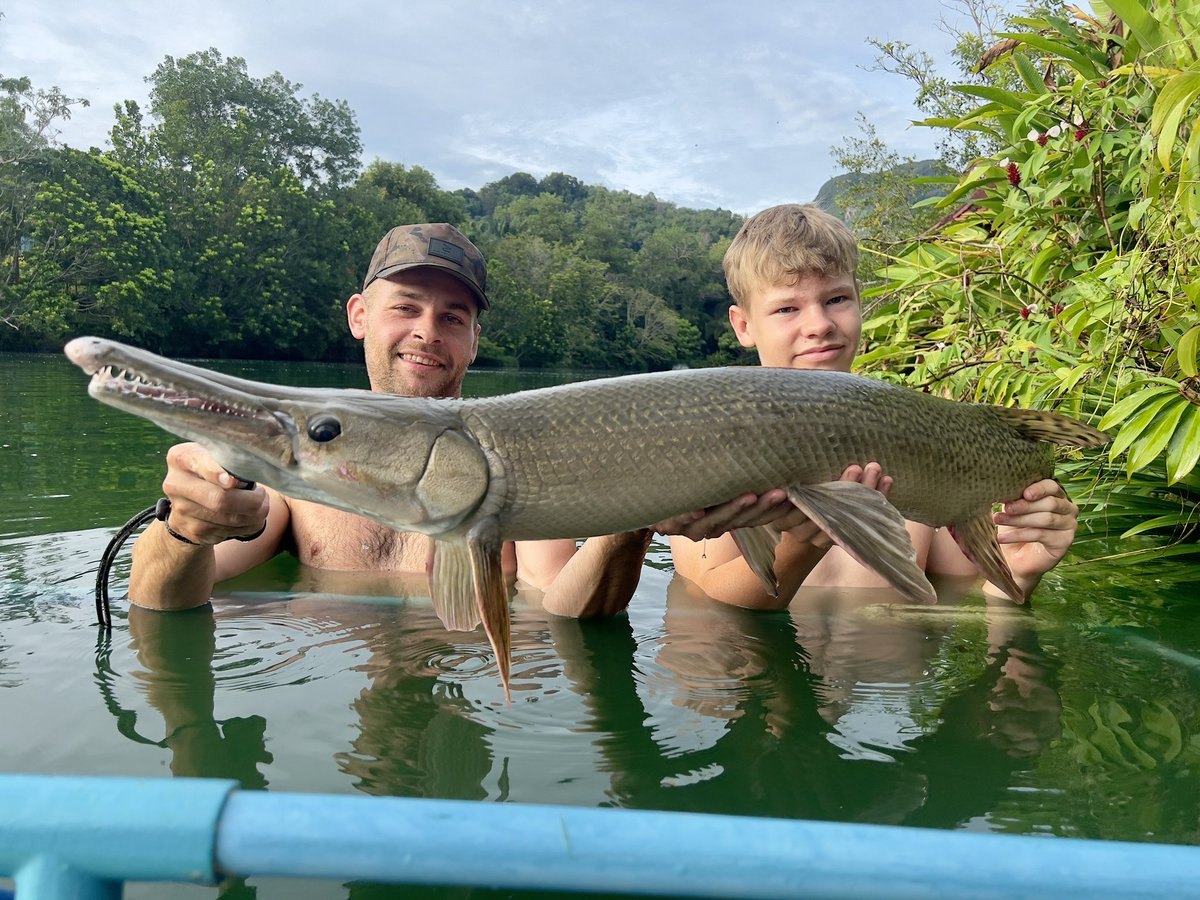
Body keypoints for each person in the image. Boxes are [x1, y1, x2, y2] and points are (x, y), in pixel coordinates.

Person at [546, 203, 1081, 615]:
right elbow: (713, 596)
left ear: (859, 304)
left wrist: (1020, 573)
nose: (819, 324)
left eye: (836, 299)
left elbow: (966, 600)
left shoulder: (916, 446)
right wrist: (805, 545)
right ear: (743, 326)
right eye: (786, 308)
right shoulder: (709, 430)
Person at [129, 223, 652, 615]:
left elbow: (567, 611)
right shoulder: (302, 462)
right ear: (359, 316)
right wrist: (185, 529)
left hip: (473, 689)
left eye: (452, 317)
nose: (427, 332)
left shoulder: (516, 462)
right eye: (406, 308)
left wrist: (634, 519)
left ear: (473, 342)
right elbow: (160, 603)